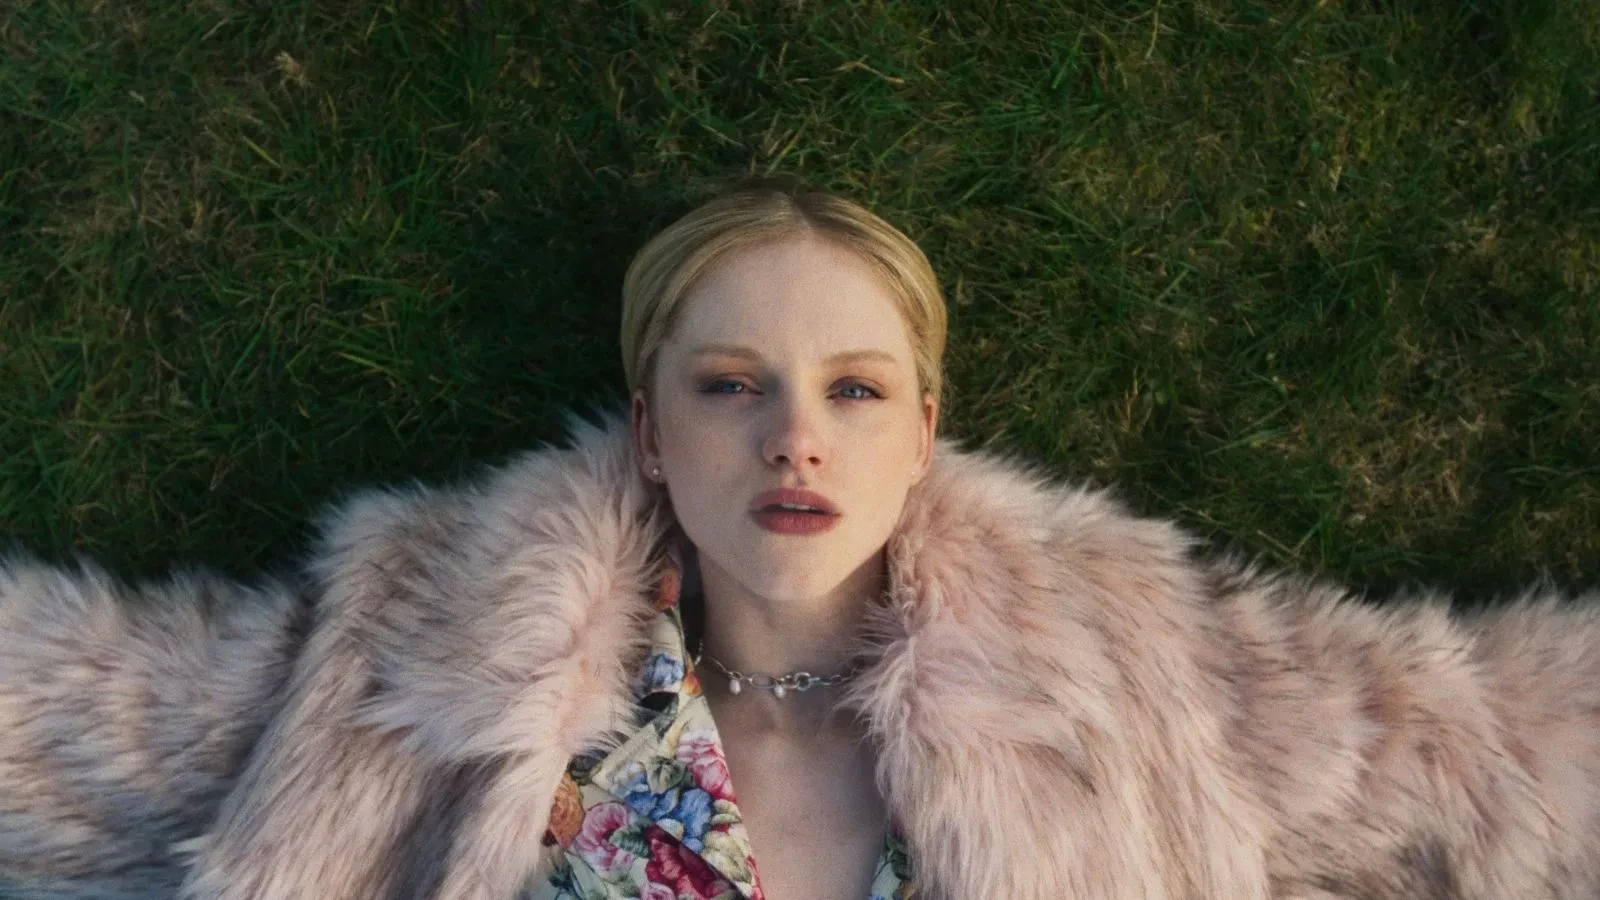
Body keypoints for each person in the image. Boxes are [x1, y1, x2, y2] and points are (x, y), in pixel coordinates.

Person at [3, 175, 1600, 900]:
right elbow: (78, 728)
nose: (795, 435)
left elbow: (1476, 747)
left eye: (854, 387)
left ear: (920, 436)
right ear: (650, 433)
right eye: (731, 384)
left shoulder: (1127, 672)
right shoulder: (421, 668)